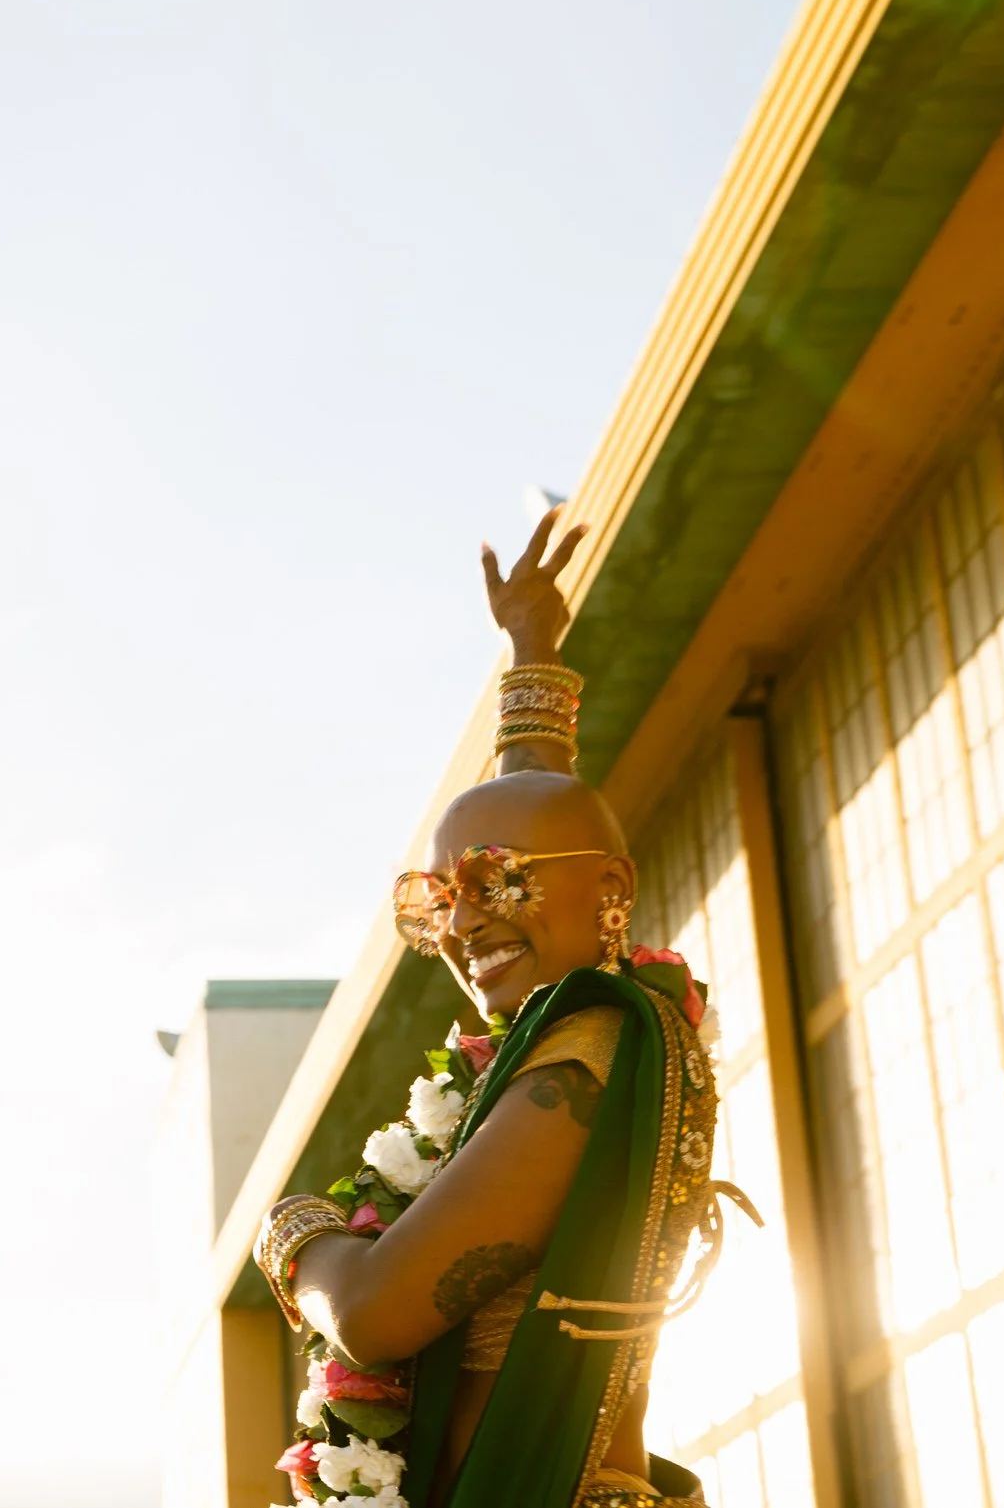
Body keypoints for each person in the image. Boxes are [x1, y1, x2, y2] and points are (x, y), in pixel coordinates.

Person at [258, 508, 743, 1508]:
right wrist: (533, 654)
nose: (463, 921)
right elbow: (540, 809)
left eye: (495, 881)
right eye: (441, 898)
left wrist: (294, 1232)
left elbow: (373, 1315)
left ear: (612, 892)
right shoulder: (565, 1039)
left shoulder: (591, 1052)